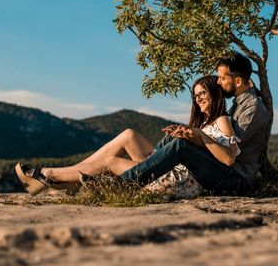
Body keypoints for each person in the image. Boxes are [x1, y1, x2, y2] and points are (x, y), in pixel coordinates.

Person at [14, 75, 240, 197]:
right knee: (128, 134)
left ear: (215, 94)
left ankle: (48, 174)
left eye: (203, 93)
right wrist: (186, 135)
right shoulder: (202, 122)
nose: (199, 98)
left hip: (182, 180)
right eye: (196, 95)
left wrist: (197, 137)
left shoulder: (222, 120)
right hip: (172, 169)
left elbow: (228, 158)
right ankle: (71, 178)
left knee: (111, 162)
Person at [119, 52, 269, 194]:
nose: (218, 82)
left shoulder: (253, 109)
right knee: (176, 137)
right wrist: (190, 135)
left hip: (235, 178)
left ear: (237, 81)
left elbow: (229, 152)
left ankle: (122, 184)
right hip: (223, 169)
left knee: (181, 146)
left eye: (222, 78)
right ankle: (144, 167)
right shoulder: (239, 104)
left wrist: (199, 137)